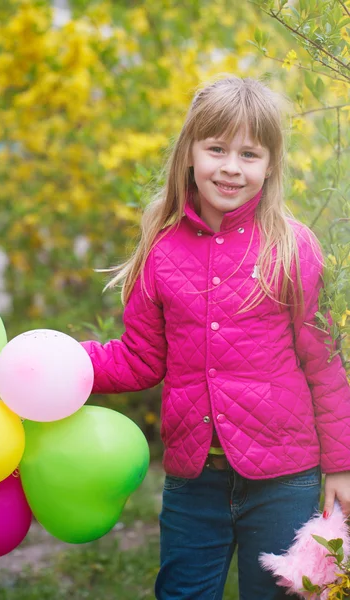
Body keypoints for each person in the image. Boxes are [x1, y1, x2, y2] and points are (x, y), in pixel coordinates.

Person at [81, 75, 350, 600]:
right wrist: (64, 364)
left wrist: (342, 465)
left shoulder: (291, 247)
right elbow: (140, 359)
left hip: (284, 476)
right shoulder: (160, 251)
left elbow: (324, 364)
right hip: (193, 478)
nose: (231, 167)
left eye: (249, 153)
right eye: (217, 149)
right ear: (190, 154)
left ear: (270, 164)